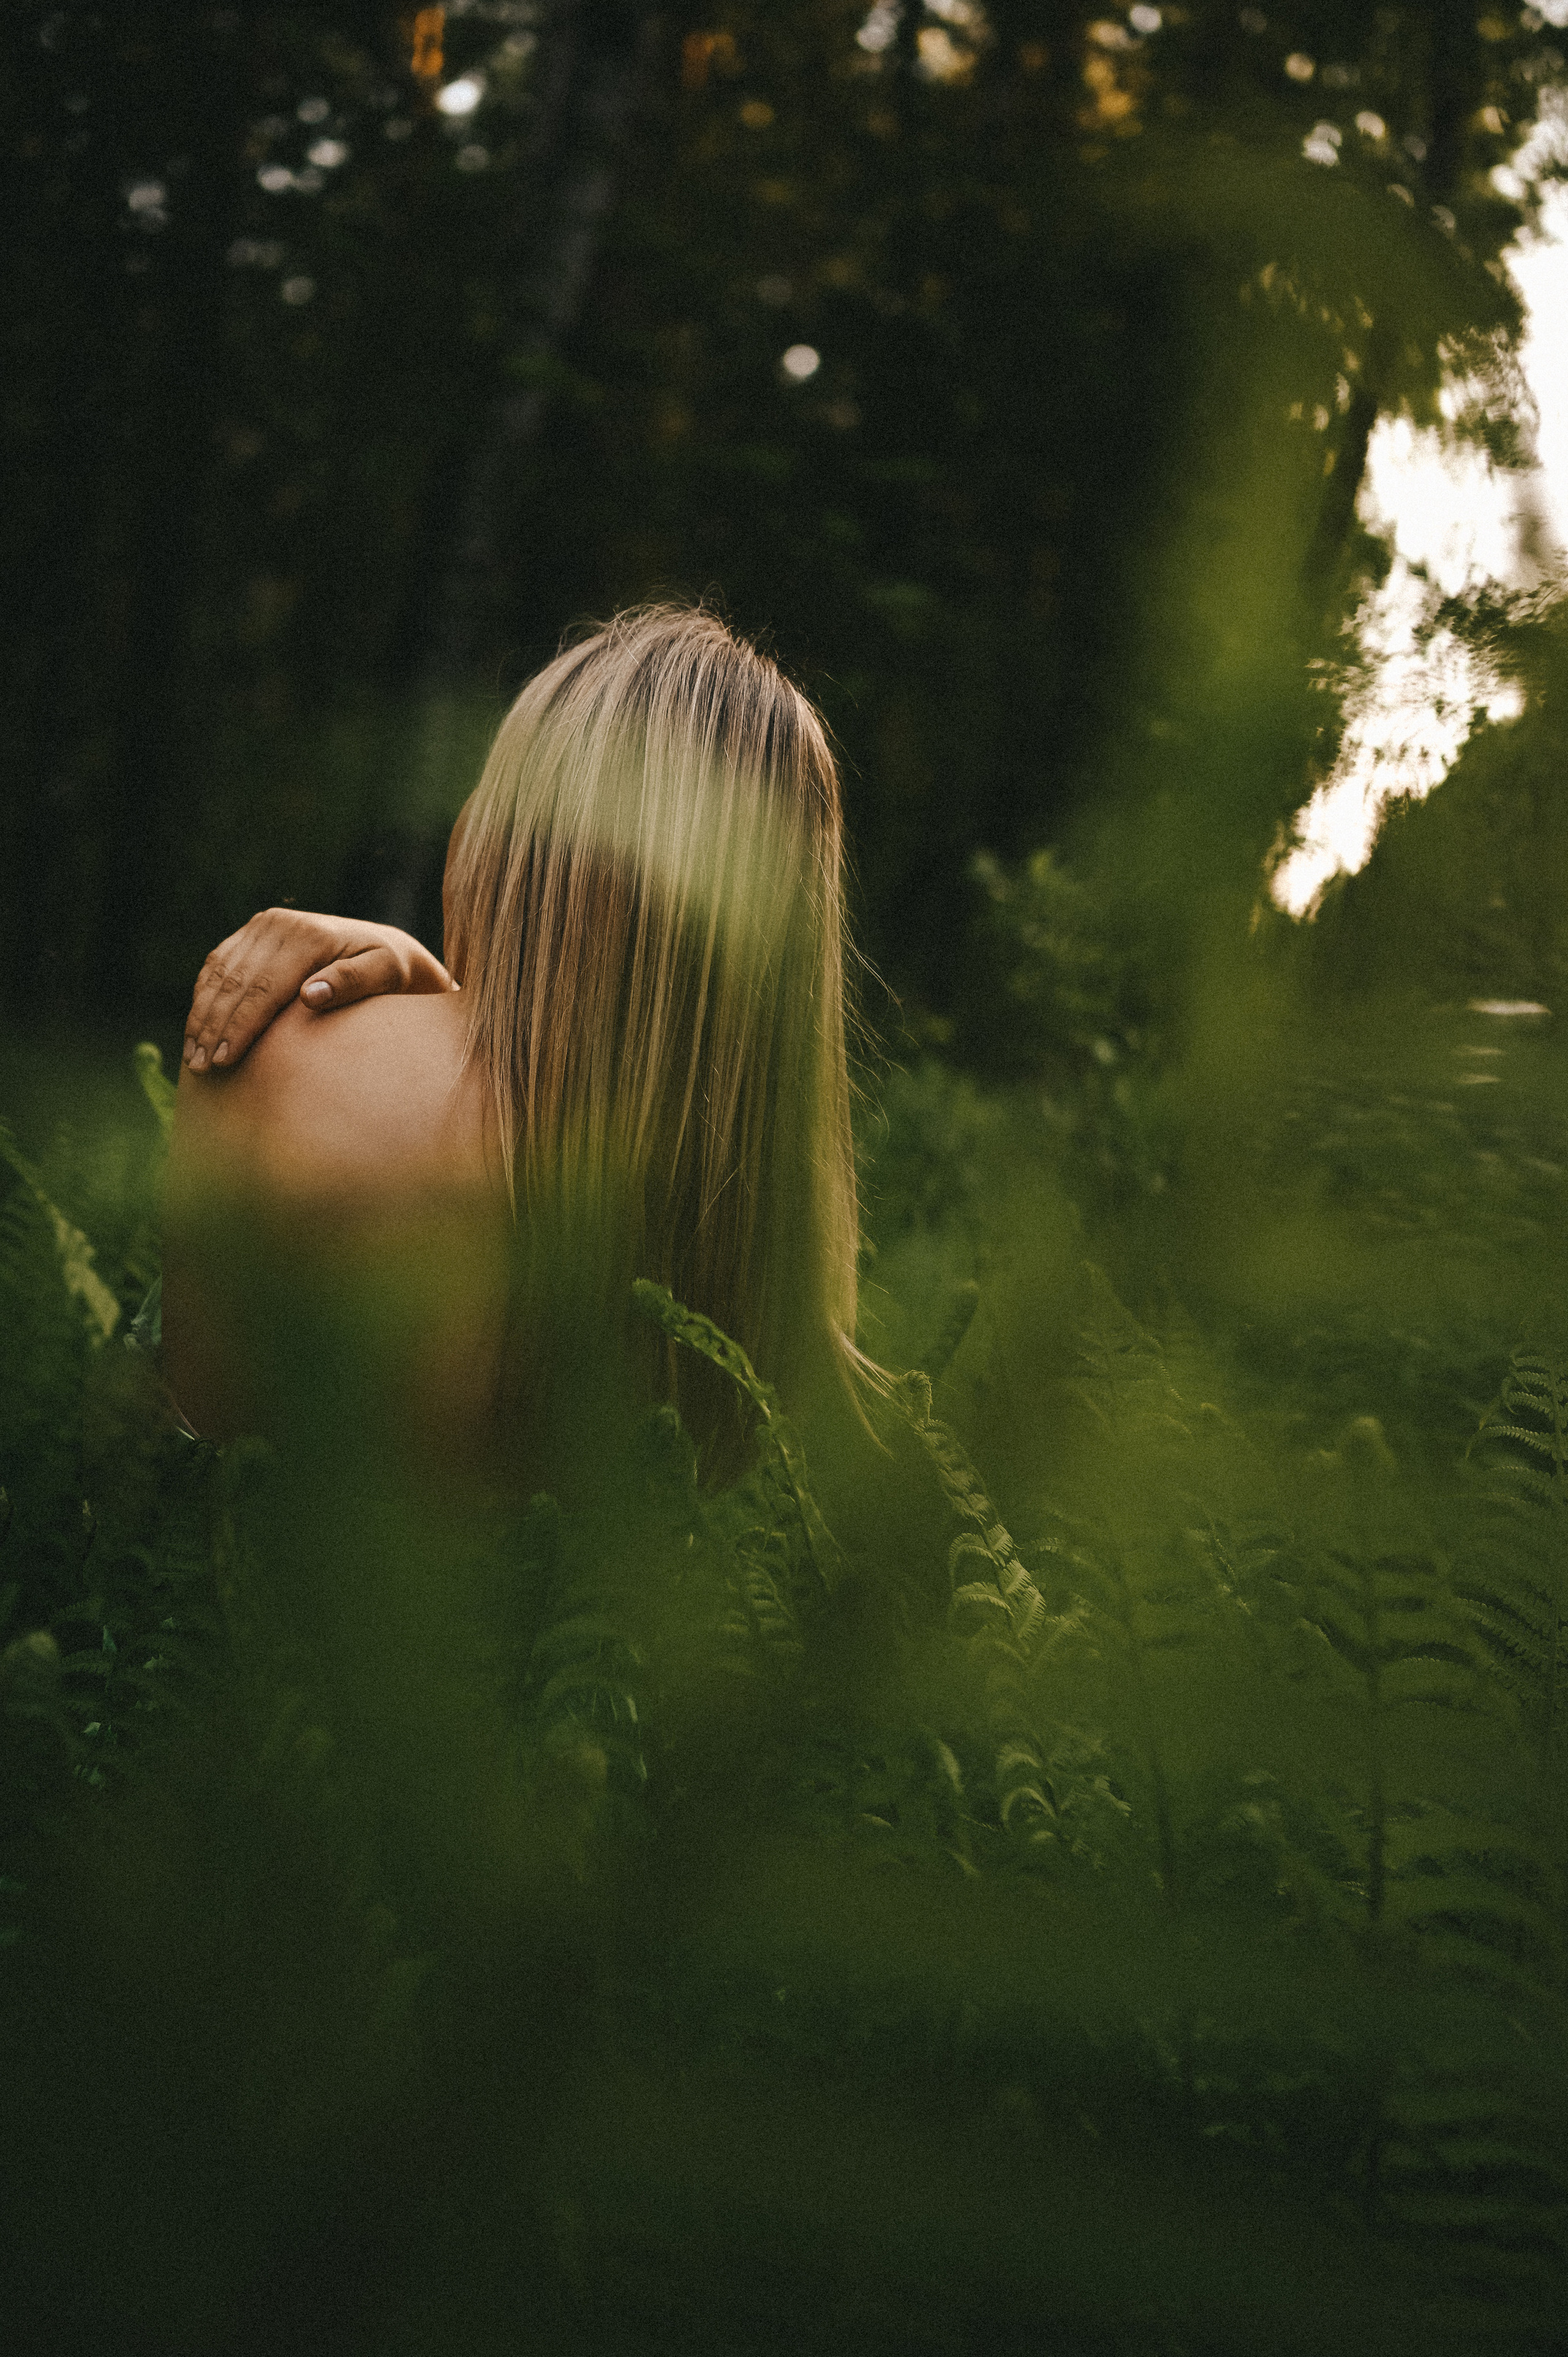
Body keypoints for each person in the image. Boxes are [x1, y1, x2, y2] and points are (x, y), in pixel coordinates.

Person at [161, 603, 875, 1502]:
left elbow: (189, 1449)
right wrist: (433, 982)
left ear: (514, 833)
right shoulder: (759, 1250)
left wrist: (425, 992)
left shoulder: (275, 1044)